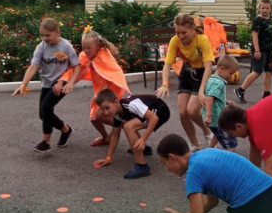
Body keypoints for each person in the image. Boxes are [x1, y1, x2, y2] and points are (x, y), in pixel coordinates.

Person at [11, 18, 79, 154]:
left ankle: (46, 142)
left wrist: (70, 82)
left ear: (57, 32)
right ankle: (66, 129)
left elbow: (76, 65)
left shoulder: (65, 46)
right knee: (43, 115)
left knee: (46, 108)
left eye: (48, 35)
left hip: (61, 82)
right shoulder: (41, 47)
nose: (45, 38)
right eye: (42, 35)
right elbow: (33, 67)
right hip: (47, 83)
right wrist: (23, 84)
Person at [60, 29, 131, 148]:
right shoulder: (85, 55)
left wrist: (101, 95)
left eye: (89, 48)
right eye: (84, 47)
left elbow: (110, 75)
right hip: (100, 89)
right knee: (94, 118)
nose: (86, 51)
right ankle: (107, 137)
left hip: (112, 88)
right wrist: (63, 80)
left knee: (101, 115)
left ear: (97, 46)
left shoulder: (104, 54)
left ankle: (126, 125)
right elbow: (75, 68)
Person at [155, 14, 214, 151]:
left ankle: (207, 132)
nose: (180, 36)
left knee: (192, 111)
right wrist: (165, 84)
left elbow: (209, 67)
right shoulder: (175, 40)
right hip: (186, 73)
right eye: (177, 32)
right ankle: (194, 144)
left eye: (184, 32)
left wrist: (201, 91)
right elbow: (167, 64)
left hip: (201, 75)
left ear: (193, 29)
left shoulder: (202, 40)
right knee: (183, 113)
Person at [93, 88, 170, 179]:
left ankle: (142, 166)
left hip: (161, 110)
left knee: (128, 126)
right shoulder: (117, 113)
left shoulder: (131, 104)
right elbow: (115, 136)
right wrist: (108, 157)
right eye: (103, 110)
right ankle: (144, 149)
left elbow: (154, 118)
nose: (106, 112)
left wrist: (143, 139)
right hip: (150, 111)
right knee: (128, 125)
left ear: (116, 102)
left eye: (107, 108)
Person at [234, 0, 272, 104]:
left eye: (267, 8)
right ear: (259, 8)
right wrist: (257, 50)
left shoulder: (269, 19)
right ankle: (240, 90)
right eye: (262, 8)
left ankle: (266, 94)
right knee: (257, 71)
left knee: (269, 72)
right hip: (260, 50)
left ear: (271, 9)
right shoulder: (258, 20)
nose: (264, 10)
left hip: (269, 51)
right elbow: (254, 35)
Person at [202, 55, 240, 150]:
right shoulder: (218, 83)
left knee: (217, 136)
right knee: (231, 144)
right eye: (230, 73)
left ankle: (208, 152)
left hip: (213, 119)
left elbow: (214, 97)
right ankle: (230, 162)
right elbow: (210, 98)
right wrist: (209, 116)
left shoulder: (211, 79)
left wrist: (225, 101)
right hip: (217, 119)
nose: (230, 76)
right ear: (222, 68)